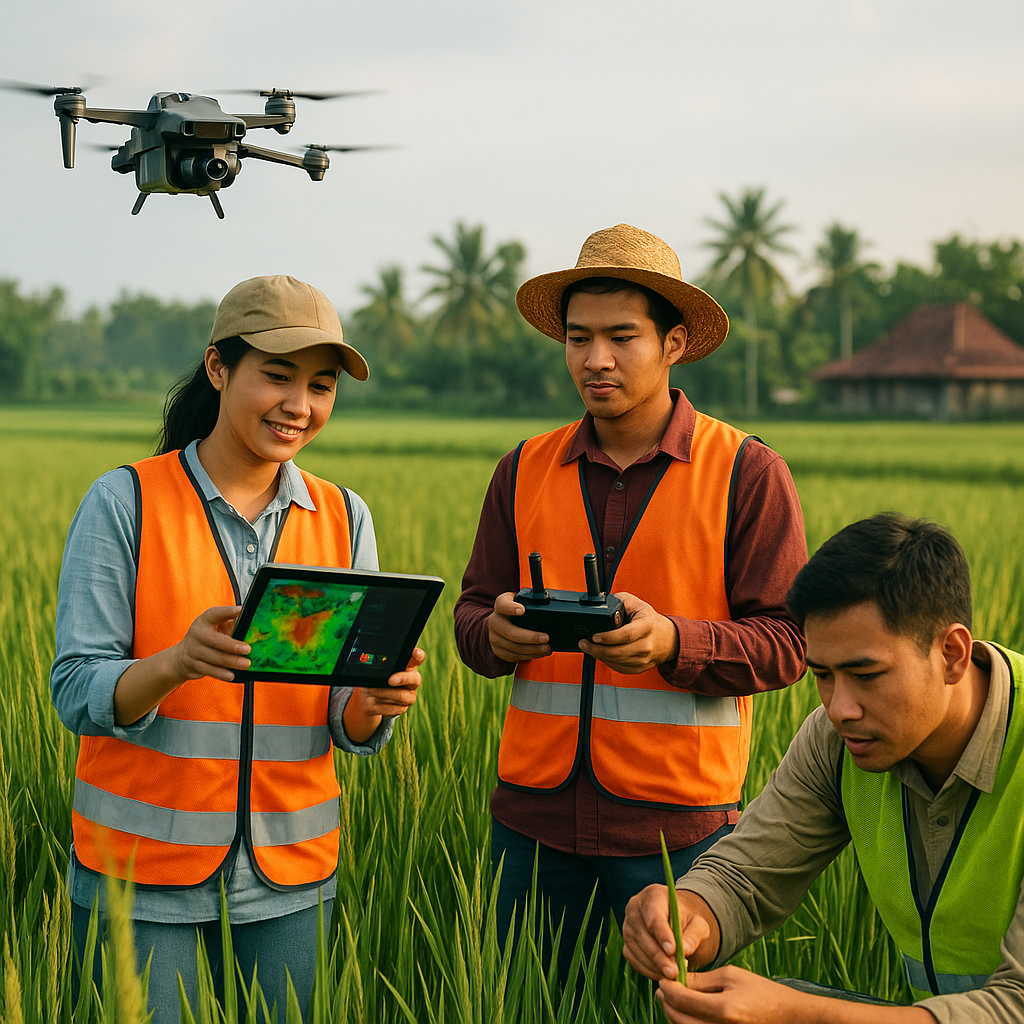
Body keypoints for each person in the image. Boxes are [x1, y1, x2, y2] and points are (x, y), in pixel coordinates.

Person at [50, 275, 425, 1023]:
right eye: (277, 376)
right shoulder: (126, 501)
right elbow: (75, 687)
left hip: (292, 874)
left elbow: (342, 710)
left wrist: (372, 706)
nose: (299, 405)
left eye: (321, 387)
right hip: (140, 870)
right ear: (219, 369)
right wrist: (176, 663)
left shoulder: (345, 517)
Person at [453, 223, 808, 977]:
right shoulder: (522, 468)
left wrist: (674, 644)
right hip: (532, 829)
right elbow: (472, 615)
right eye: (578, 339)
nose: (595, 360)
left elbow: (788, 644)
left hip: (681, 837)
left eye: (622, 337)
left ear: (674, 343)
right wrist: (499, 636)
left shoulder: (746, 471)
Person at [622, 512, 1024, 1023]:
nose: (840, 708)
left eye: (865, 674)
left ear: (951, 654)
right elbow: (746, 876)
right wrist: (689, 913)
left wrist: (797, 1014)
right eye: (824, 675)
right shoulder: (838, 740)